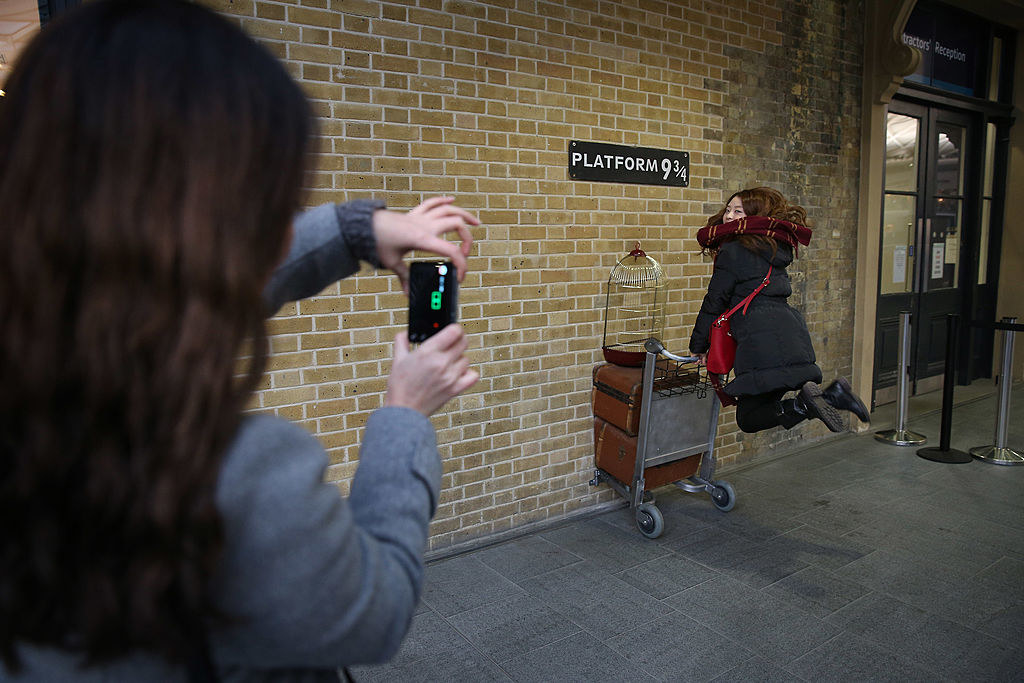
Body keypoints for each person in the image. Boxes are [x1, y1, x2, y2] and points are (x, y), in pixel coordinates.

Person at [0, 1, 479, 680]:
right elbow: (377, 609)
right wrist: (403, 416)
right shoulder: (238, 487)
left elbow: (156, 296)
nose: (286, 230)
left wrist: (356, 231)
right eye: (267, 206)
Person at [689, 187, 869, 434]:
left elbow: (715, 301)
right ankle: (831, 396)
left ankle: (810, 404)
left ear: (755, 216)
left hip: (760, 341)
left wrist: (698, 345)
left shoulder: (734, 250)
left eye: (738, 211)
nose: (729, 217)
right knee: (763, 408)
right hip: (790, 334)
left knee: (749, 418)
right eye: (728, 210)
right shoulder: (773, 248)